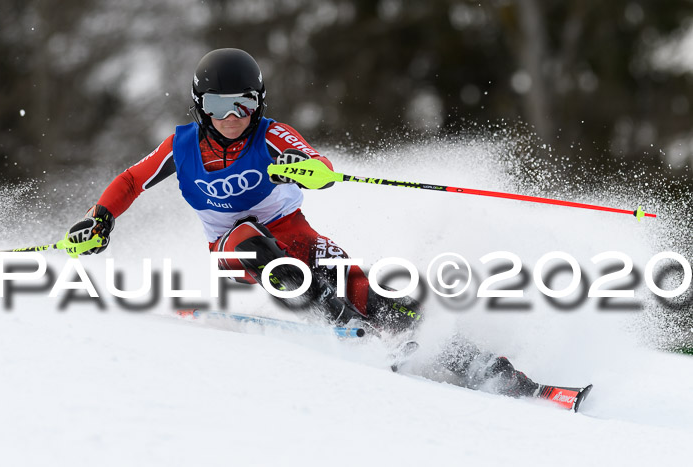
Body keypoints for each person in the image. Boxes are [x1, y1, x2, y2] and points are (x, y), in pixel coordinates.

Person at [66, 48, 575, 406]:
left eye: (244, 103)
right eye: (219, 106)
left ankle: (503, 377)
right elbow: (132, 180)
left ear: (258, 103)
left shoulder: (271, 135)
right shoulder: (180, 148)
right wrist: (101, 219)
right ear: (200, 107)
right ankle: (343, 325)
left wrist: (305, 169)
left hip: (295, 232)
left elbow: (318, 165)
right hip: (234, 245)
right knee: (256, 249)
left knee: (375, 295)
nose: (233, 116)